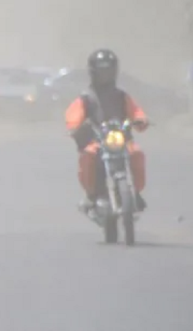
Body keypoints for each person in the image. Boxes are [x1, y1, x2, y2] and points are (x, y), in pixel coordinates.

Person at [64, 49, 149, 213]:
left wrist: (140, 120)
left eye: (109, 71)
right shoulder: (86, 97)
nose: (106, 75)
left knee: (136, 154)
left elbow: (136, 111)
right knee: (89, 155)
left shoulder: (122, 96)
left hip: (122, 140)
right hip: (97, 141)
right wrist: (75, 127)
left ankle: (136, 193)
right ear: (93, 73)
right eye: (102, 71)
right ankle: (92, 194)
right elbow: (74, 115)